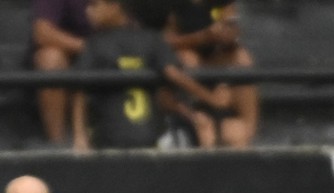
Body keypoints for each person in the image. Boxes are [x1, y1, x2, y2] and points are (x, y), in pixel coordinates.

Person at [71, 0, 230, 151]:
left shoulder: (96, 44)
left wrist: (80, 135)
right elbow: (173, 74)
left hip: (127, 138)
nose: (88, 11)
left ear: (115, 6)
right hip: (120, 137)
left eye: (95, 4)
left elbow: (173, 74)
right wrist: (212, 98)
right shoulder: (150, 39)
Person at [164, 0, 257, 148]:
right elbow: (164, 42)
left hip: (216, 54)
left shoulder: (224, 3)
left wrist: (229, 36)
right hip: (187, 55)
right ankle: (198, 117)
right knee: (188, 59)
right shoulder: (174, 7)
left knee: (242, 58)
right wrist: (203, 37)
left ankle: (249, 129)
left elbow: (233, 29)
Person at [31, 0, 91, 144]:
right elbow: (42, 32)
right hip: (71, 63)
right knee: (51, 58)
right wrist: (90, 48)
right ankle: (58, 143)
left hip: (113, 58)